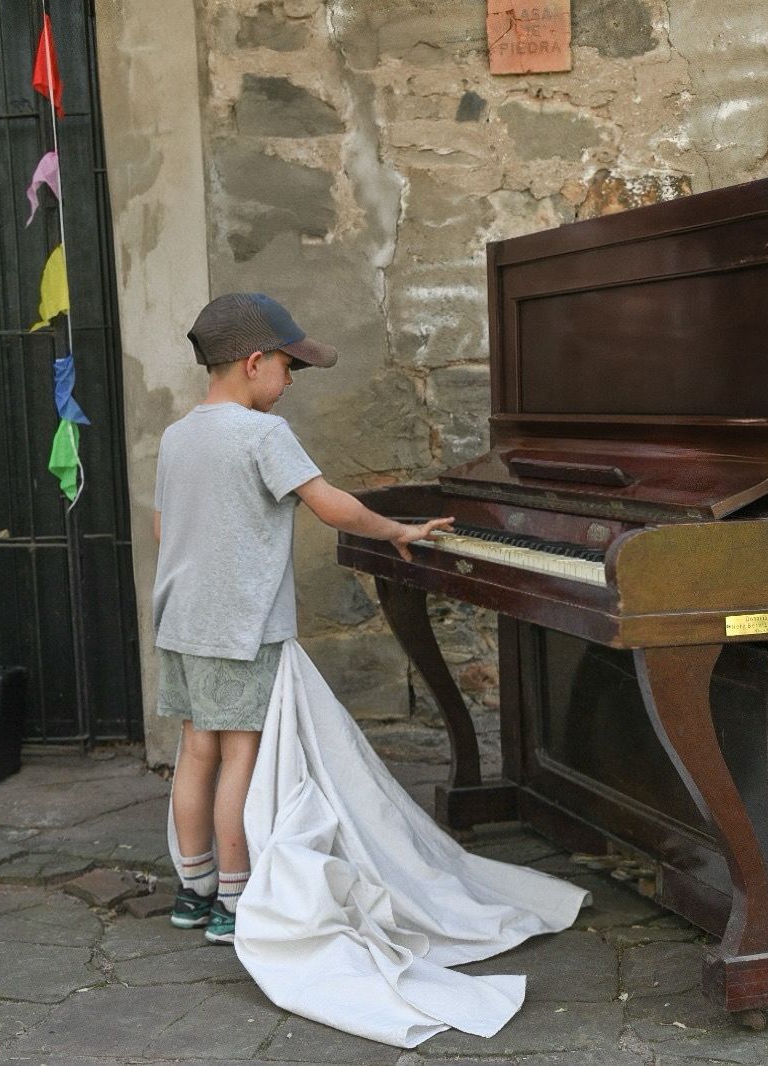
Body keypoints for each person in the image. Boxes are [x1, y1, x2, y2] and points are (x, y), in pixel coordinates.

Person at [152, 292, 452, 944]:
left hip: (181, 622)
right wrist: (394, 529)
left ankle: (192, 890)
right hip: (240, 627)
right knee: (241, 760)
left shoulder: (178, 438)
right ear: (254, 362)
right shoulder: (263, 434)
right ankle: (233, 900)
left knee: (195, 752)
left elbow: (161, 524)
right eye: (290, 367)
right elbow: (331, 505)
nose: (290, 383)